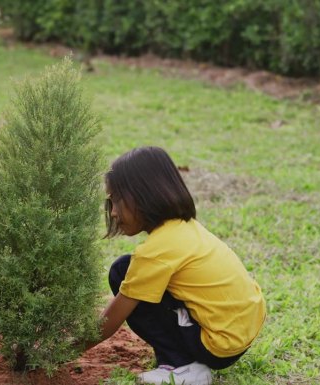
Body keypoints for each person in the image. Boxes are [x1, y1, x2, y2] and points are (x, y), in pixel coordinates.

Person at [84, 146, 266, 385]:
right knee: (125, 267)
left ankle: (183, 367)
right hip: (242, 330)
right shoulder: (184, 227)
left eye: (116, 200)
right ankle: (187, 357)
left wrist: (59, 351)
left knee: (122, 273)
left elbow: (112, 320)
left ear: (143, 194)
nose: (114, 212)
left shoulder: (155, 252)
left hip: (219, 344)